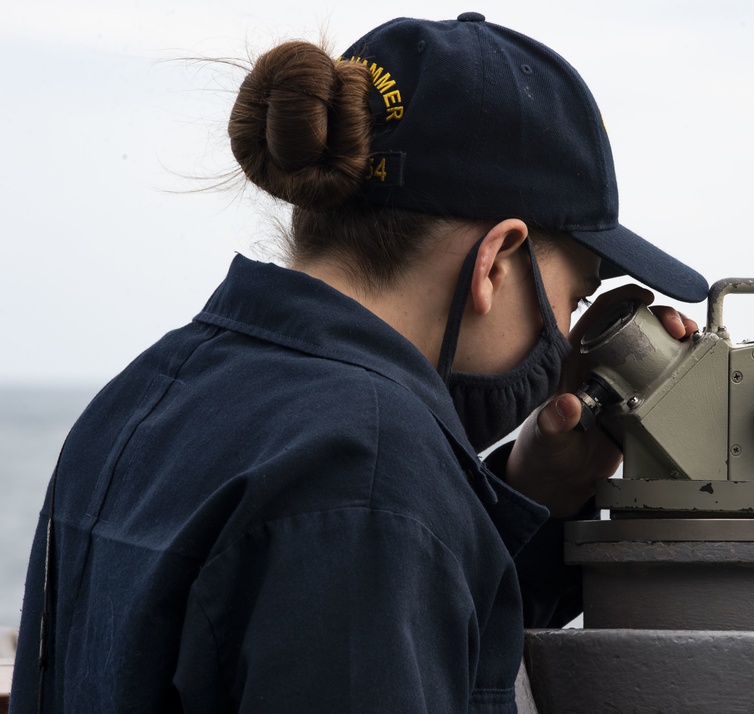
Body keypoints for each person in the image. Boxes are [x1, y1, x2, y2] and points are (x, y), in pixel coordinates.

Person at [12, 12, 707, 713]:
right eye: (572, 294)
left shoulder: (139, 398)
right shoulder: (372, 469)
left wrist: (535, 494)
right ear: (494, 261)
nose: (564, 333)